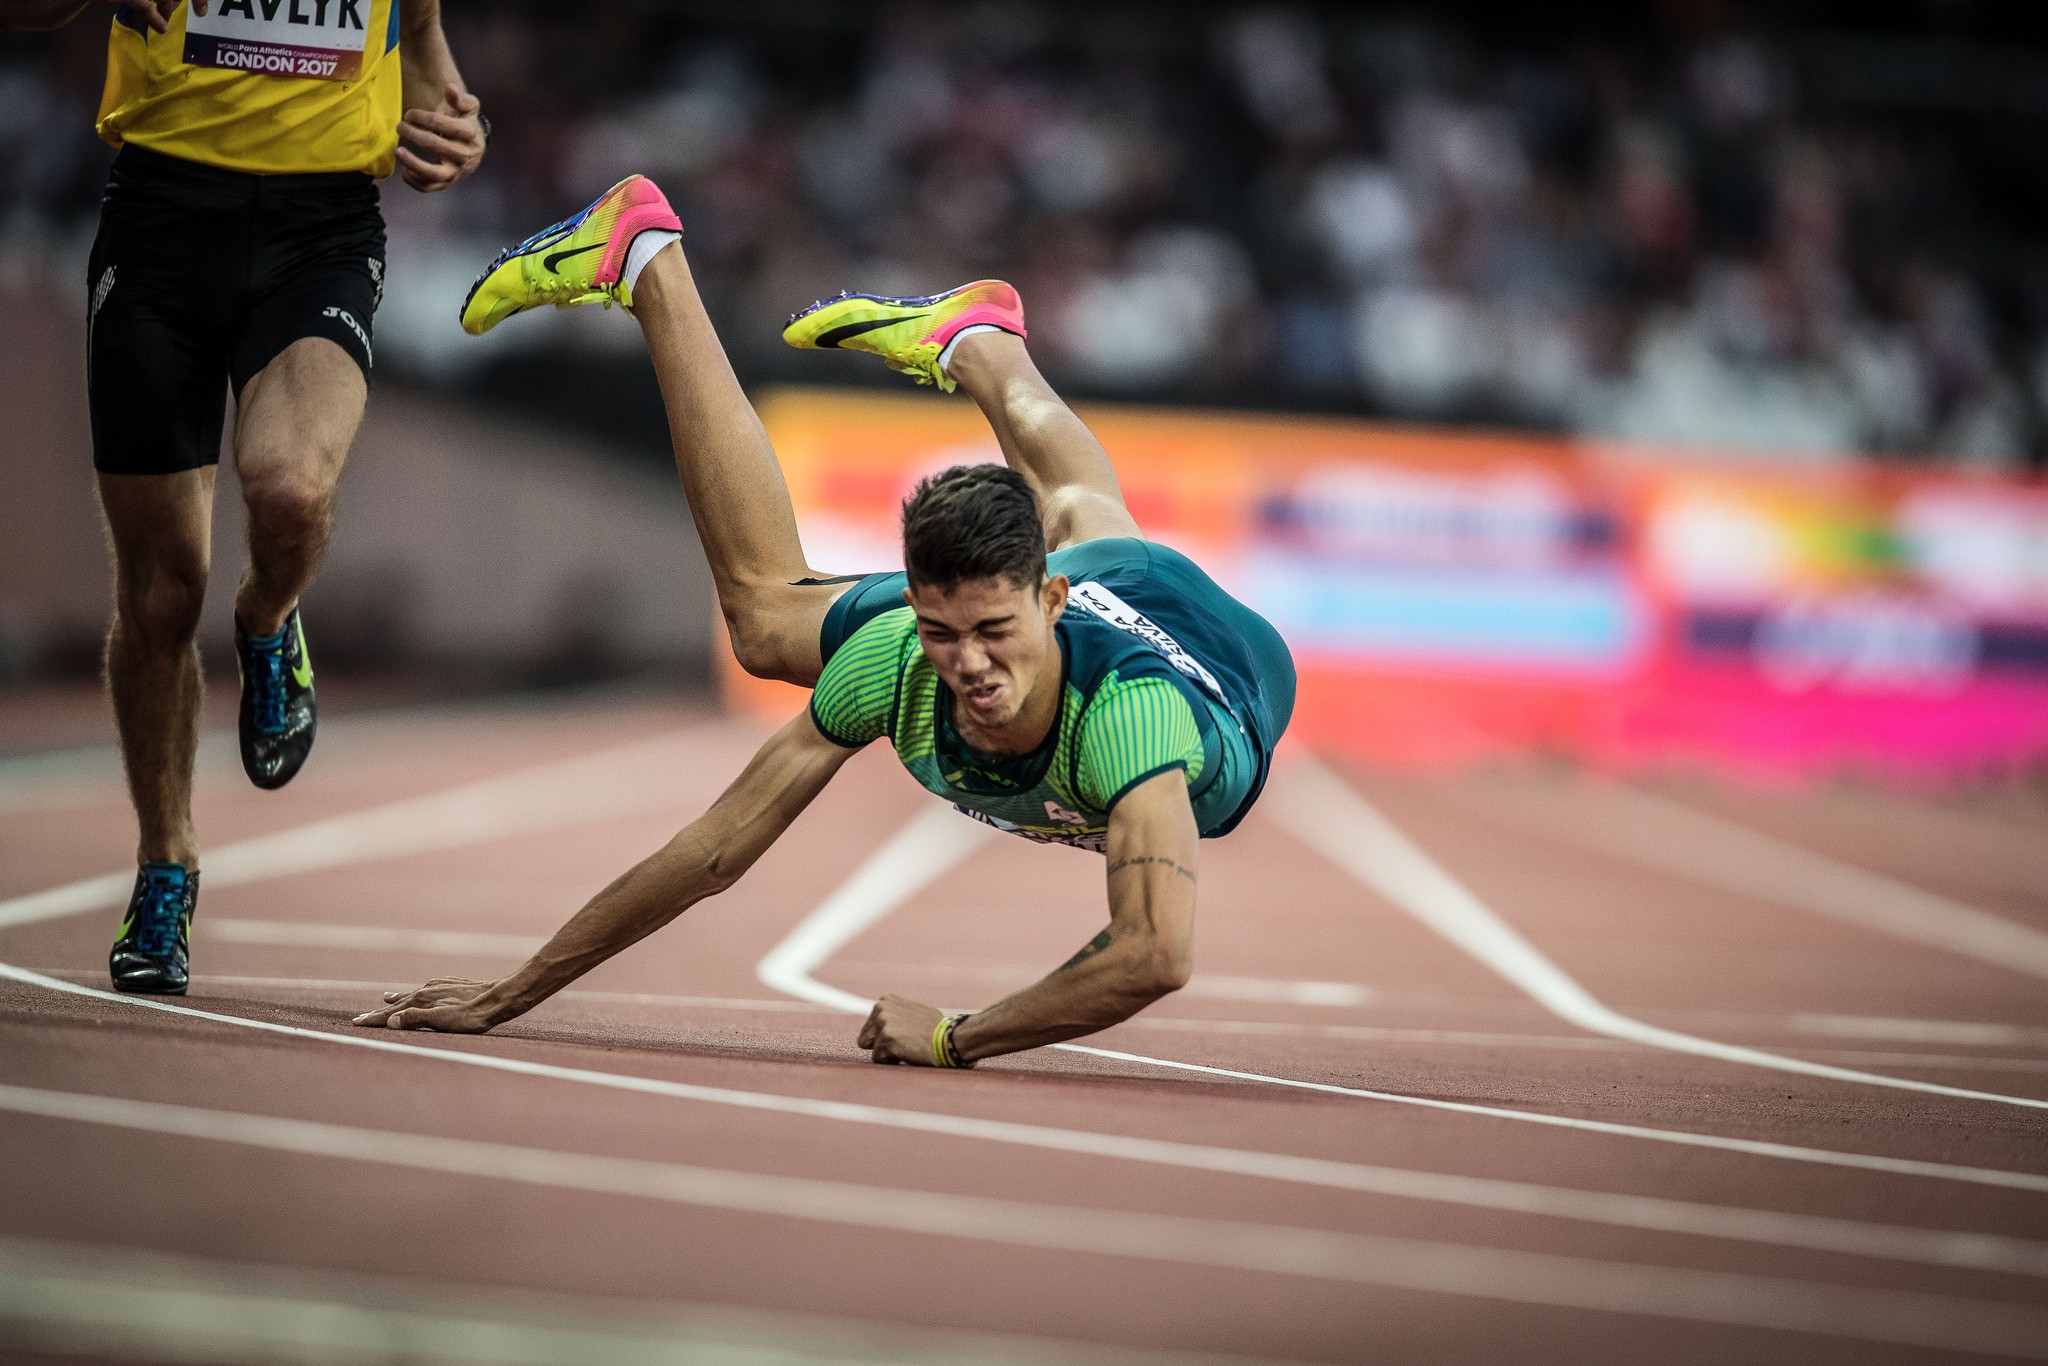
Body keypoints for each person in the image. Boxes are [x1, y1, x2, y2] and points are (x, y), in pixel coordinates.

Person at [353, 175, 1296, 1067]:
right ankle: (661, 265)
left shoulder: (1134, 720)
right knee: (775, 622)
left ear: (1047, 603)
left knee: (1091, 518)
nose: (968, 665)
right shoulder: (899, 658)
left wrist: (953, 1036)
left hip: (1229, 662)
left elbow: (1154, 955)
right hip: (1096, 585)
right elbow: (716, 846)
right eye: (942, 629)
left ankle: (970, 346)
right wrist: (511, 992)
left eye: (994, 632)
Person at [0, 0, 486, 994]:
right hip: (161, 228)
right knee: (159, 598)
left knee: (291, 488)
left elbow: (424, 38)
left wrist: (447, 114)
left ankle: (268, 619)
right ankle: (165, 866)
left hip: (322, 231)